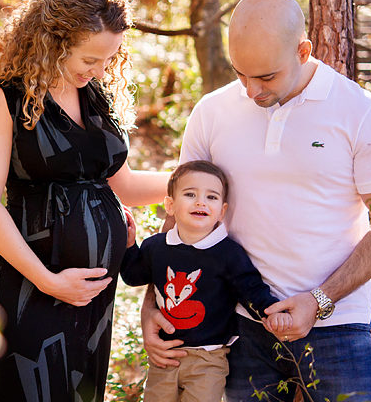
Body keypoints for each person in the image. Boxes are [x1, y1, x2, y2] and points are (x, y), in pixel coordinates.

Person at [141, 0, 371, 402]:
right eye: (240, 74)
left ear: (303, 51)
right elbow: (180, 221)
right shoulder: (211, 112)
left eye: (266, 77)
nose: (250, 90)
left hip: (338, 327)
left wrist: (318, 301)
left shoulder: (362, 112)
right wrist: (152, 308)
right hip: (239, 327)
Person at [0, 0, 170, 402]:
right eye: (90, 58)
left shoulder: (95, 98)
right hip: (30, 284)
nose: (99, 71)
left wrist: (191, 182)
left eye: (108, 60)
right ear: (54, 41)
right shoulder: (6, 99)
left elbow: (126, 186)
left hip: (92, 296)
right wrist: (48, 281)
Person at [121, 160, 291, 402]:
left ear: (222, 211)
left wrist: (273, 312)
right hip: (165, 357)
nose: (201, 202)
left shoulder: (228, 254)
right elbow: (133, 276)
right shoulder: (156, 247)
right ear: (170, 205)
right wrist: (129, 246)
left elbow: (251, 289)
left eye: (211, 197)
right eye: (190, 194)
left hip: (208, 359)